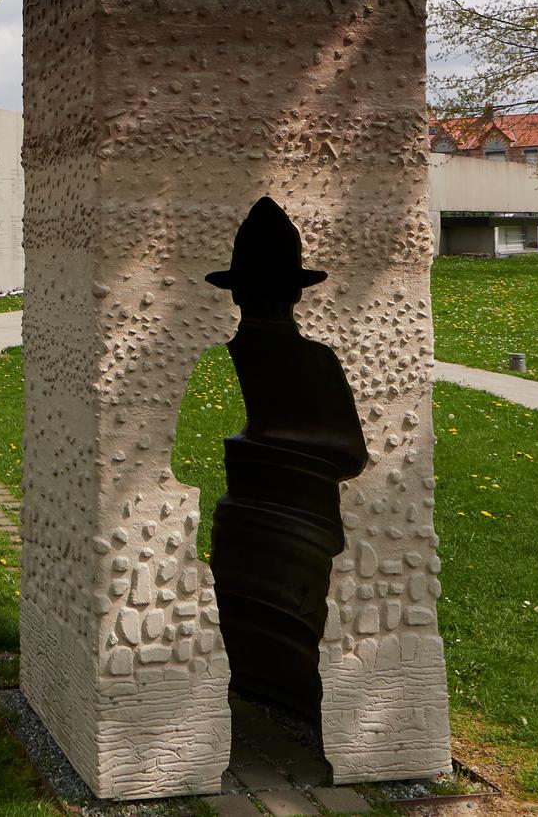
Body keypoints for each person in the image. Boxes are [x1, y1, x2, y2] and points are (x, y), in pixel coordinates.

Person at [203, 196, 368, 726]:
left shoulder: (236, 351)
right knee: (291, 622)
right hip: (301, 520)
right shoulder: (315, 360)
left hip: (250, 514)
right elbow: (352, 453)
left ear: (239, 294)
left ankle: (263, 696)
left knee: (258, 621)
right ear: (295, 294)